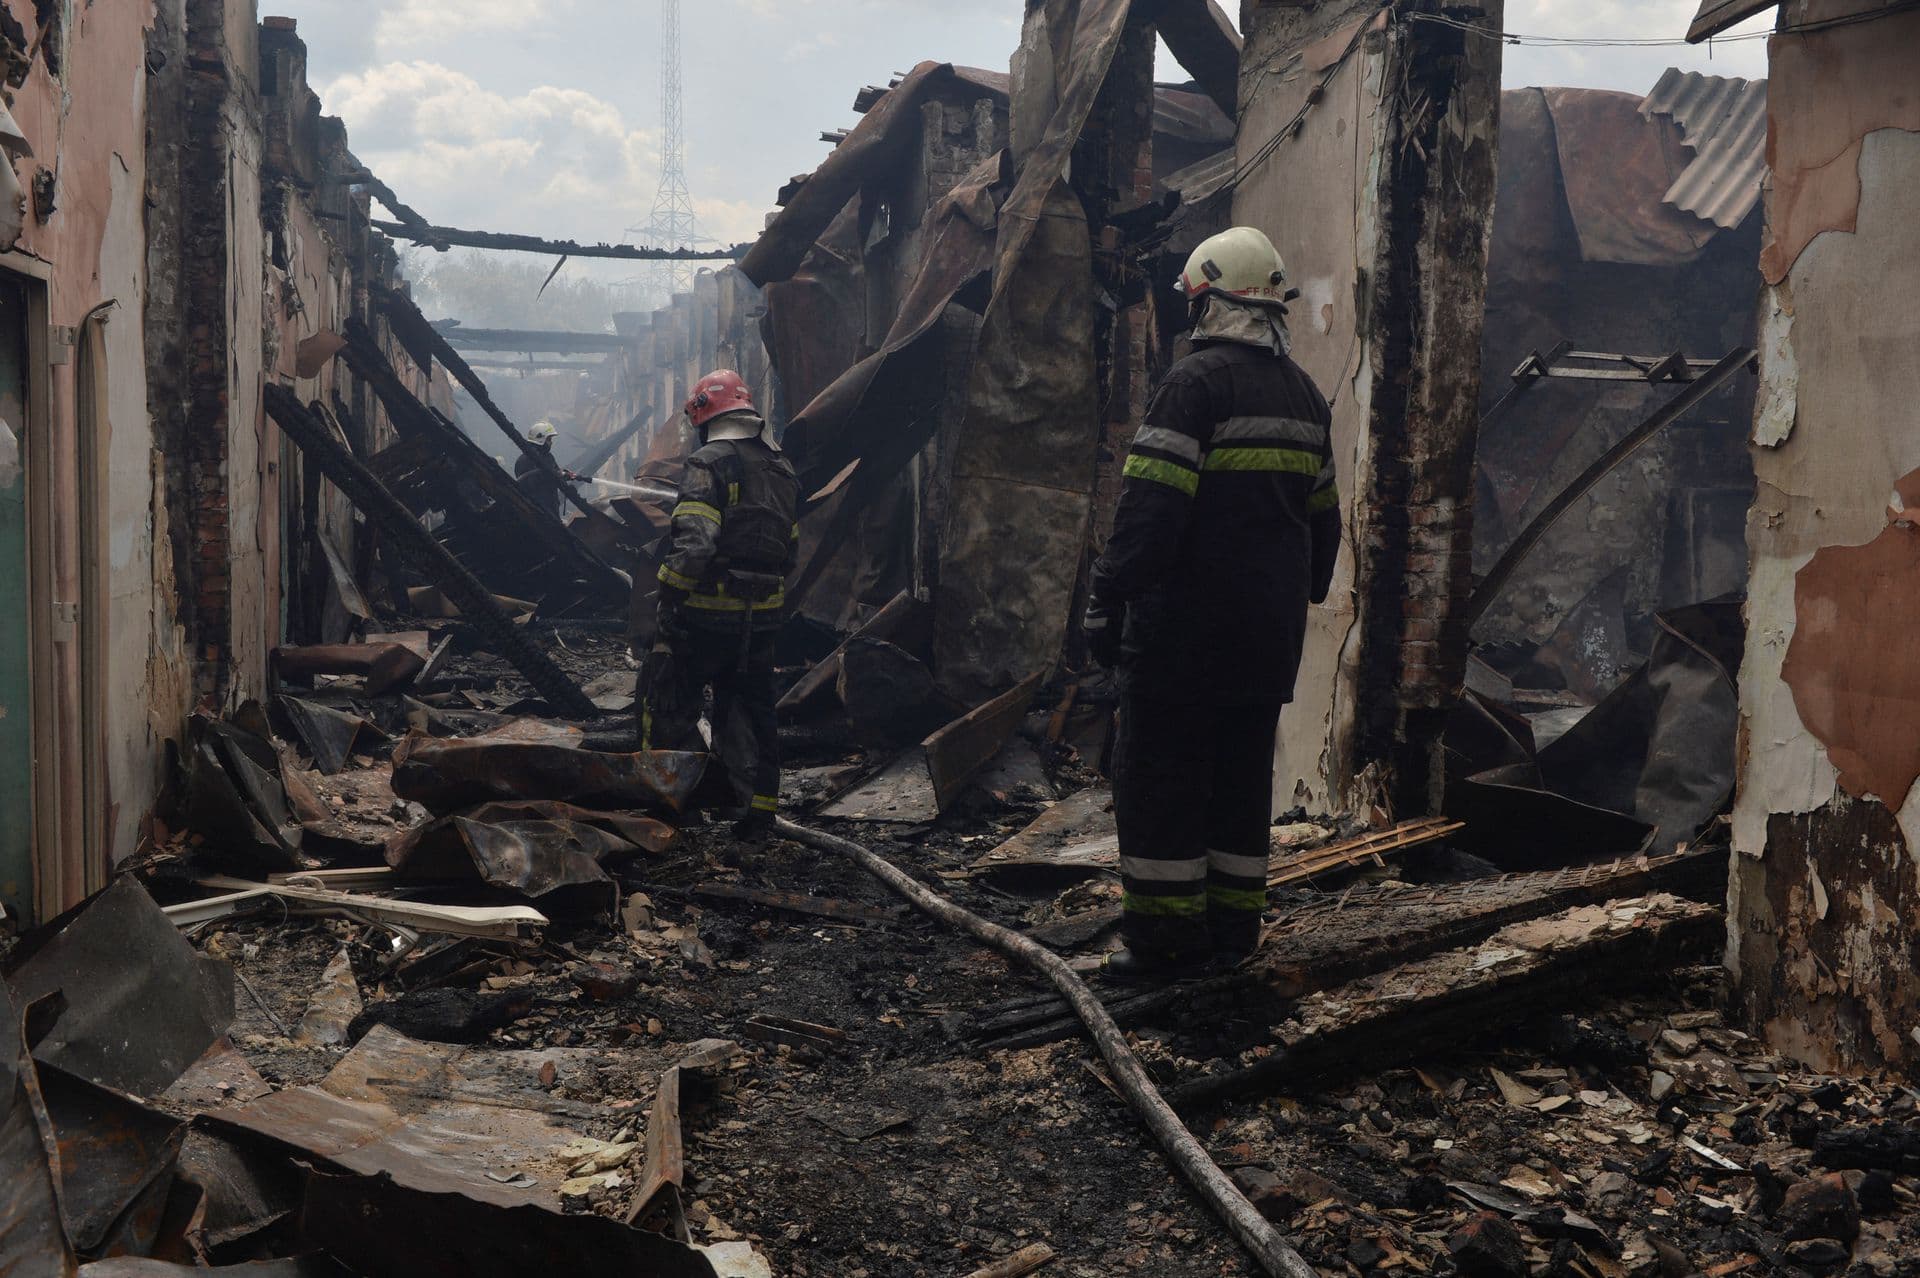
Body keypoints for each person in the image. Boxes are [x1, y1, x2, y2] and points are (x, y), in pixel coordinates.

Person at [1083, 226, 1341, 984]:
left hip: (1185, 636)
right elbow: (1324, 525)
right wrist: (1294, 595)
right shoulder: (1306, 395)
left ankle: (1166, 945)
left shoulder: (1192, 386)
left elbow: (1149, 514)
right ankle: (1232, 934)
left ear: (1207, 303)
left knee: (1161, 781)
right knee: (1238, 785)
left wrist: (1107, 598)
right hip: (1266, 640)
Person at [640, 370, 798, 837]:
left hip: (705, 616)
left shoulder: (708, 463)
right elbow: (790, 550)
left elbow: (696, 545)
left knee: (667, 701)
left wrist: (668, 596)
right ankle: (755, 813)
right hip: (762, 618)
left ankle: (672, 807)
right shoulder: (781, 468)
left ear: (703, 416)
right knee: (751, 711)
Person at [514, 419, 580, 519]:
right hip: (537, 512)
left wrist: (565, 476)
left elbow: (555, 472)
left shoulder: (548, 457)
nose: (551, 443)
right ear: (540, 438)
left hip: (552, 508)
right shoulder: (525, 460)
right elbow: (532, 483)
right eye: (549, 439)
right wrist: (557, 475)